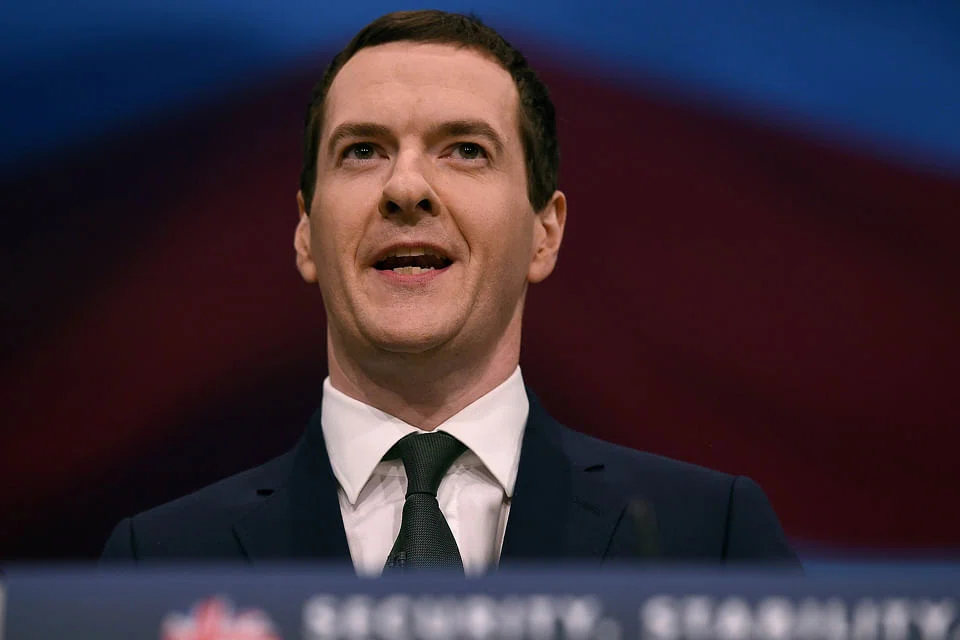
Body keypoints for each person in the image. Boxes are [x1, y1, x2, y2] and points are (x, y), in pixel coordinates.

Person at [101, 10, 798, 573]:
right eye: (363, 150)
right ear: (306, 234)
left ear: (545, 233)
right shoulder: (161, 561)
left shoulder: (706, 538)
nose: (406, 187)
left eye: (465, 149)